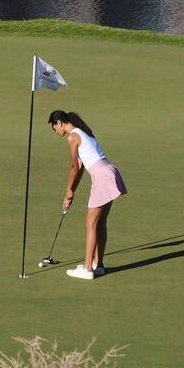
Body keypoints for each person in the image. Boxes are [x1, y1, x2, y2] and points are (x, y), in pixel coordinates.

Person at [50, 110, 127, 280]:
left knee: (90, 224)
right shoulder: (83, 132)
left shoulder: (72, 137)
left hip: (102, 176)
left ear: (59, 122)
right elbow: (80, 167)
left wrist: (68, 191)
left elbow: (73, 167)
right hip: (110, 172)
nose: (55, 132)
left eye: (54, 128)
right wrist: (71, 192)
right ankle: (98, 265)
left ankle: (87, 269)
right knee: (100, 223)